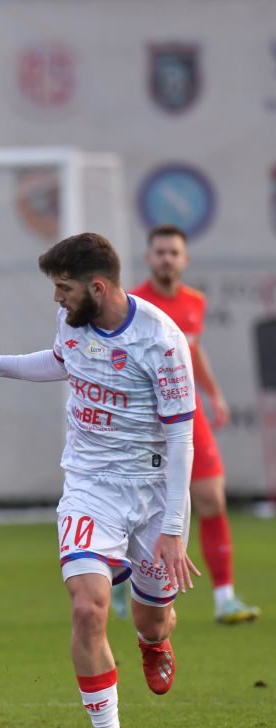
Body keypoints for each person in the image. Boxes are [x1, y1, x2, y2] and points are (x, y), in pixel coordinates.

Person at [0, 232, 199, 728]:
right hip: (90, 488)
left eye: (64, 288)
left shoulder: (162, 340)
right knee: (87, 607)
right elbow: (60, 361)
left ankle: (153, 642)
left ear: (98, 286)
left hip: (153, 493)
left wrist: (174, 528)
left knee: (153, 619)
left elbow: (181, 438)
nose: (57, 299)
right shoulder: (74, 321)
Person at [126, 224, 259, 624]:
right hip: (143, 420)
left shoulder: (194, 302)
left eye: (173, 252)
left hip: (187, 414)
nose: (167, 258)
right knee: (131, 507)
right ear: (149, 258)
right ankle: (122, 583)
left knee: (212, 500)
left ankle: (224, 598)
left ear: (184, 260)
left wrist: (214, 392)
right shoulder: (134, 304)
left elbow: (193, 351)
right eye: (160, 252)